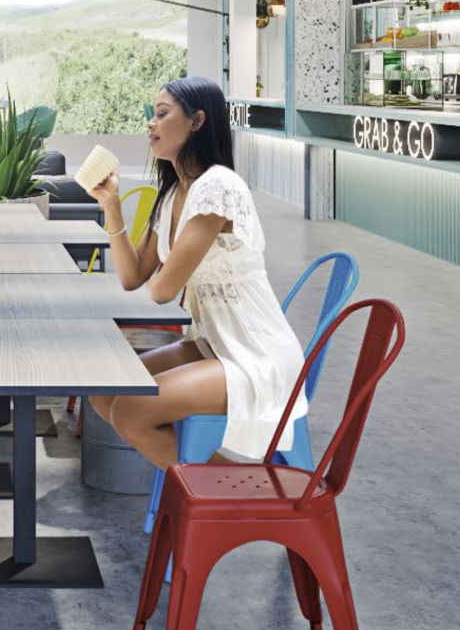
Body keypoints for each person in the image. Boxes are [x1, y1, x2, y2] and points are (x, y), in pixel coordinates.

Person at [86, 76, 307, 471]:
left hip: (255, 354)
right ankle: (224, 483)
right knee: (105, 393)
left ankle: (229, 497)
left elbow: (161, 291)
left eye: (162, 114)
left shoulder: (218, 188)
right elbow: (132, 276)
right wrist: (111, 205)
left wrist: (162, 278)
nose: (151, 124)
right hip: (214, 343)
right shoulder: (173, 193)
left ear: (197, 121)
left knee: (132, 411)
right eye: (151, 116)